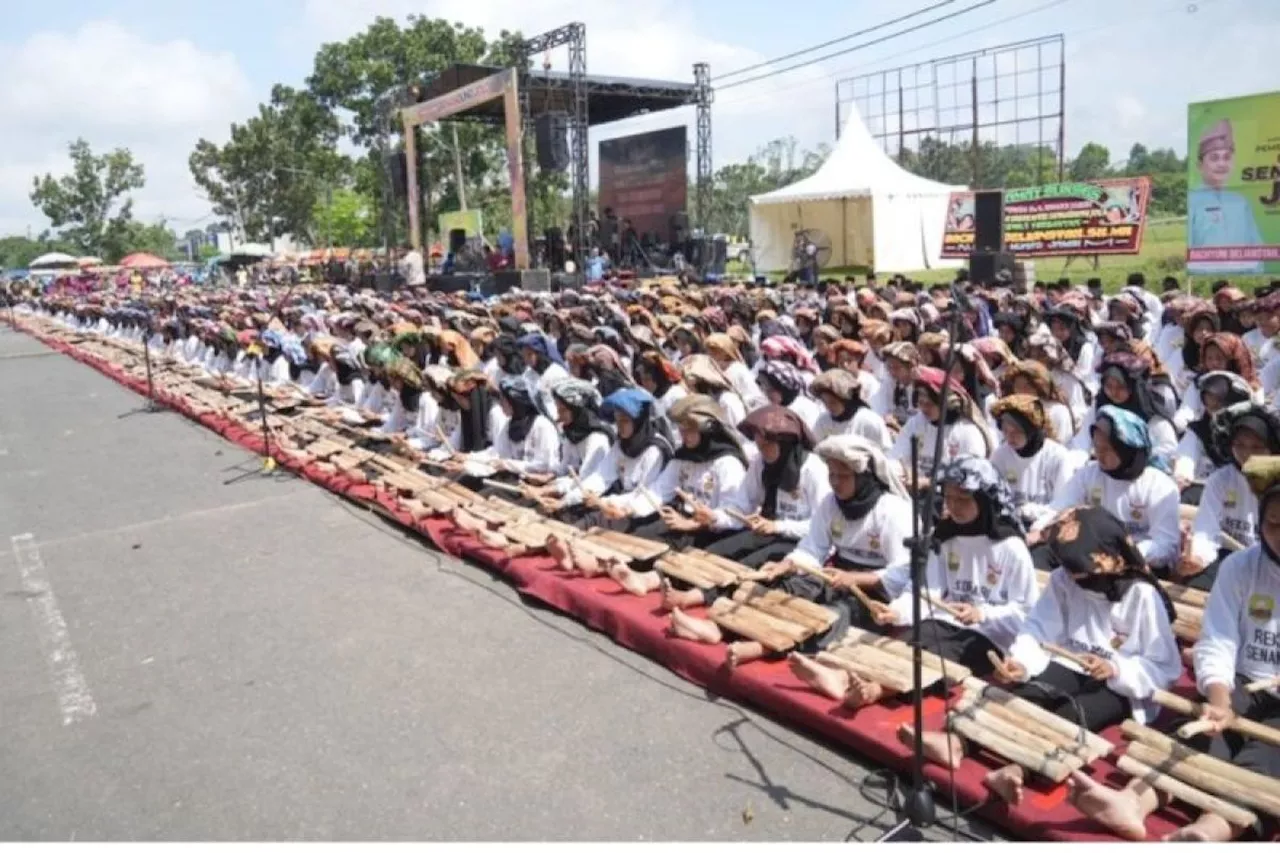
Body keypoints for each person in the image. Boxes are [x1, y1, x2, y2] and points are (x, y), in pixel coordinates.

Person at [974, 506, 1181, 821]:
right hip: (1070, 662)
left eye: (1079, 569)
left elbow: (1164, 667)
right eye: (1068, 567)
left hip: (1118, 684)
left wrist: (1116, 668)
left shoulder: (1141, 595)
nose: (1072, 576)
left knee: (1073, 718)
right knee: (1028, 696)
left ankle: (1017, 770)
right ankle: (961, 742)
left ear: (1107, 559)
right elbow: (1039, 629)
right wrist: (1021, 661)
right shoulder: (1064, 579)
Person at [1033, 406, 1181, 574]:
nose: (1099, 454)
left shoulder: (1158, 485)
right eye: (1096, 447)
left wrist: (1129, 554)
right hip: (1090, 555)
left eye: (1107, 449)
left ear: (1126, 448)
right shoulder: (1088, 474)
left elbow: (1165, 543)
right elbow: (1059, 507)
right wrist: (1039, 528)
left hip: (1137, 565)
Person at [1180, 403, 1280, 590]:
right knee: (1198, 586)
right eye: (1239, 445)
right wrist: (1197, 558)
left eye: (1257, 447)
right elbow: (1207, 529)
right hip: (1230, 556)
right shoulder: (1221, 479)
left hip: (1272, 559)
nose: (1247, 454)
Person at [989, 394, 1082, 529]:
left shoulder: (1057, 456)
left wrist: (1034, 514)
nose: (1010, 437)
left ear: (1030, 429)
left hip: (1047, 527)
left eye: (1016, 432)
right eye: (1005, 431)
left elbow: (1064, 504)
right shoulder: (1000, 456)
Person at [1188, 118, 1264, 274]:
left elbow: (1257, 249)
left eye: (1227, 157)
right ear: (1200, 165)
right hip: (1204, 278)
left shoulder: (1240, 202)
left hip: (1243, 278)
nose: (1222, 164)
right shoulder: (1192, 201)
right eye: (1214, 158)